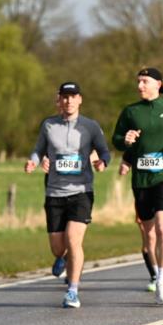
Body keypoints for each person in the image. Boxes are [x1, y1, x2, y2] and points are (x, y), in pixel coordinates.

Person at [112, 67, 163, 305]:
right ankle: (157, 272)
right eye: (138, 81)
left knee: (162, 226)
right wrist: (124, 140)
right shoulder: (130, 112)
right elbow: (117, 139)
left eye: (145, 81)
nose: (140, 86)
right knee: (148, 234)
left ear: (158, 83)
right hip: (141, 180)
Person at [25, 82, 111, 308]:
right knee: (57, 247)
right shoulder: (49, 125)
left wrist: (103, 161)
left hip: (81, 191)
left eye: (73, 96)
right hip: (54, 192)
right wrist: (33, 161)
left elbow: (104, 150)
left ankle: (72, 290)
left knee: (74, 240)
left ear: (80, 99)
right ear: (59, 100)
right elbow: (38, 149)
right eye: (65, 97)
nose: (69, 101)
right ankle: (61, 258)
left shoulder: (90, 126)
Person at [122, 154, 163, 292]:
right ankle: (155, 276)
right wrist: (125, 164)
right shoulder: (141, 134)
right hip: (144, 187)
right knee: (149, 237)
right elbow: (128, 153)